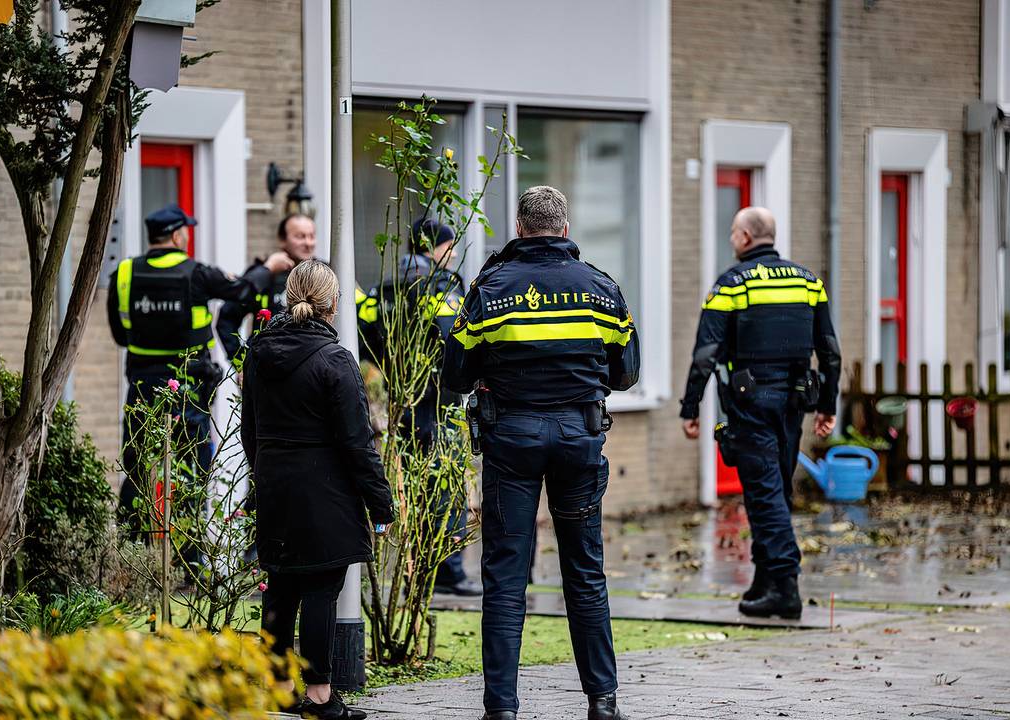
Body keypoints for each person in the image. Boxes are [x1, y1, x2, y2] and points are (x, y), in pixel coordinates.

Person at [442, 186, 640, 720]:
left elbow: (454, 374)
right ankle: (603, 702)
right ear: (566, 227)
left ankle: (501, 709)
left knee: (506, 576)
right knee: (585, 570)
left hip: (511, 442)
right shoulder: (602, 288)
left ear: (521, 226)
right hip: (579, 440)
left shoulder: (491, 288)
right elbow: (626, 374)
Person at [242, 260, 394, 720]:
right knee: (322, 589)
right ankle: (321, 697)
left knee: (281, 587)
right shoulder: (335, 359)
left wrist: (266, 474)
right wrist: (381, 504)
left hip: (275, 486)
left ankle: (283, 687)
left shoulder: (258, 352)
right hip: (325, 492)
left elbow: (251, 430)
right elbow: (357, 442)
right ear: (333, 304)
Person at [679, 206, 840, 620]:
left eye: (733, 232)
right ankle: (766, 582)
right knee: (774, 492)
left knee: (766, 495)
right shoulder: (809, 283)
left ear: (746, 238)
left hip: (750, 405)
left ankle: (786, 586)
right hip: (793, 405)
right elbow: (831, 353)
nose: (731, 238)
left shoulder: (732, 284)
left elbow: (705, 355)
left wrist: (690, 407)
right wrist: (827, 406)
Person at [108, 203, 265, 527]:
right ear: (177, 235)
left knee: (137, 464)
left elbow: (121, 335)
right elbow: (244, 290)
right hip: (189, 387)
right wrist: (269, 267)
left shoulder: (123, 273)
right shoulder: (198, 274)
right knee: (192, 465)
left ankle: (130, 549)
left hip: (142, 384)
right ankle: (189, 563)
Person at [357, 218, 482, 597]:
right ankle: (449, 570)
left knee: (413, 485)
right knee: (445, 484)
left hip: (403, 399)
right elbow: (455, 339)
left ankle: (417, 567)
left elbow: (365, 342)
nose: (455, 252)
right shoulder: (439, 288)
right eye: (449, 246)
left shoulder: (386, 288)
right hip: (438, 400)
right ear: (433, 248)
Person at [216, 213, 317, 361]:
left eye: (312, 236)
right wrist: (241, 363)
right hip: (265, 369)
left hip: (311, 366)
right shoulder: (264, 274)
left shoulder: (326, 273)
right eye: (300, 236)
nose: (308, 242)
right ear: (282, 240)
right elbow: (227, 318)